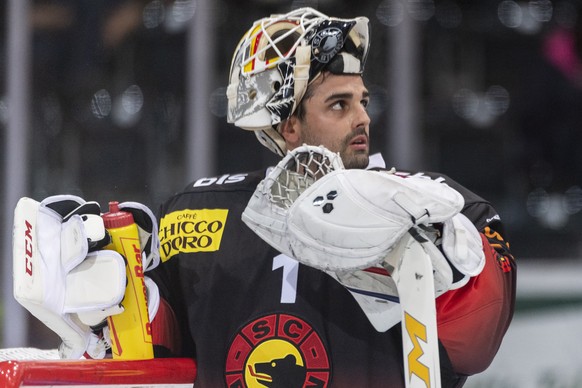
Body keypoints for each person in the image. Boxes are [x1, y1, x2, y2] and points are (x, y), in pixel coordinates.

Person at [12, 7, 515, 388]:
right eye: (339, 104)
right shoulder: (192, 215)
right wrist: (106, 301)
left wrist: (441, 265)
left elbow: (475, 346)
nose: (363, 118)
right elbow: (153, 351)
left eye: (362, 100)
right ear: (288, 124)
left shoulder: (434, 204)